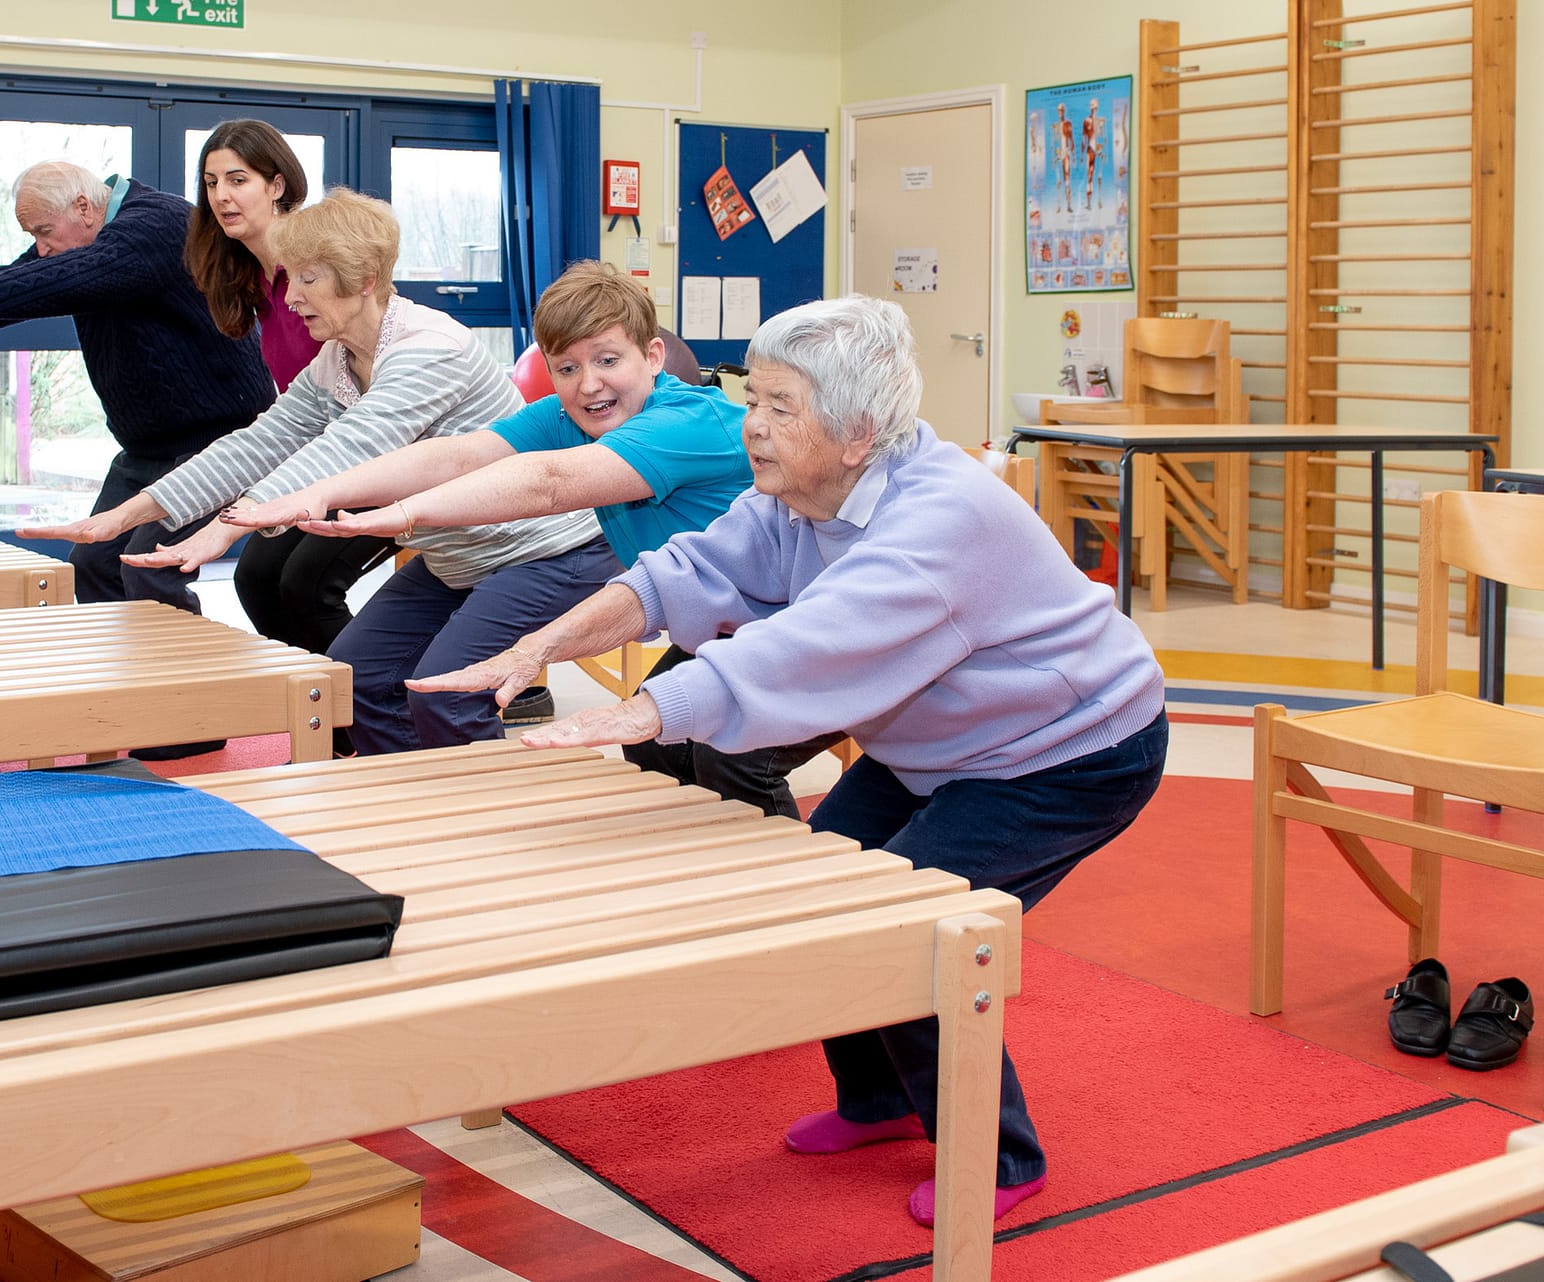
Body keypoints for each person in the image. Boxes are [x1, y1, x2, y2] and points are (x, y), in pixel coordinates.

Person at [414, 295, 1169, 1226]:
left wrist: (639, 715)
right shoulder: (801, 494)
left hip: (1068, 750)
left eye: (780, 407)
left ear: (857, 433)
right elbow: (683, 573)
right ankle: (881, 1102)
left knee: (908, 923)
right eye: (752, 397)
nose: (752, 426)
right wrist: (539, 649)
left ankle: (997, 1159)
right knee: (823, 885)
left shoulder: (939, 522)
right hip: (939, 742)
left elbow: (802, 650)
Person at [21, 189, 616, 754]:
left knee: (447, 694)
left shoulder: (431, 348)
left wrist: (230, 527)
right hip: (459, 557)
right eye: (291, 278)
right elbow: (261, 441)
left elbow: (350, 450)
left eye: (307, 279)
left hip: (544, 554)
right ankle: (409, 801)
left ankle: (489, 833)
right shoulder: (338, 358)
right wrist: (131, 512)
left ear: (360, 281)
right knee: (354, 685)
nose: (293, 297)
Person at [261, 259, 828, 817]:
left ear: (653, 357)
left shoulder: (685, 422)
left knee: (731, 757)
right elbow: (459, 454)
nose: (589, 384)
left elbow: (551, 485)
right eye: (567, 368)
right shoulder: (567, 417)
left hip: (804, 615)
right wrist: (325, 492)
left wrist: (404, 513)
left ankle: (794, 882)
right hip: (724, 618)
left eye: (608, 360)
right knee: (654, 740)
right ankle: (696, 868)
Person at [0, 160, 274, 617]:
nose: (41, 250)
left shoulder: (156, 225)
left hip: (219, 440)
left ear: (83, 206)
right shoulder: (83, 241)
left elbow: (50, 283)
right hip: (148, 448)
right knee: (94, 562)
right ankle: (138, 676)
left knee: (148, 569)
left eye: (44, 231)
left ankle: (194, 682)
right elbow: (12, 285)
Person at [184, 120, 393, 655]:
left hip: (384, 457)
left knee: (304, 586)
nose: (222, 197)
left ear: (277, 186)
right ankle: (320, 706)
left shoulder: (316, 269)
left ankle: (370, 709)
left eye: (237, 179)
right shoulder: (252, 280)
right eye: (211, 184)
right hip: (319, 463)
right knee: (254, 580)